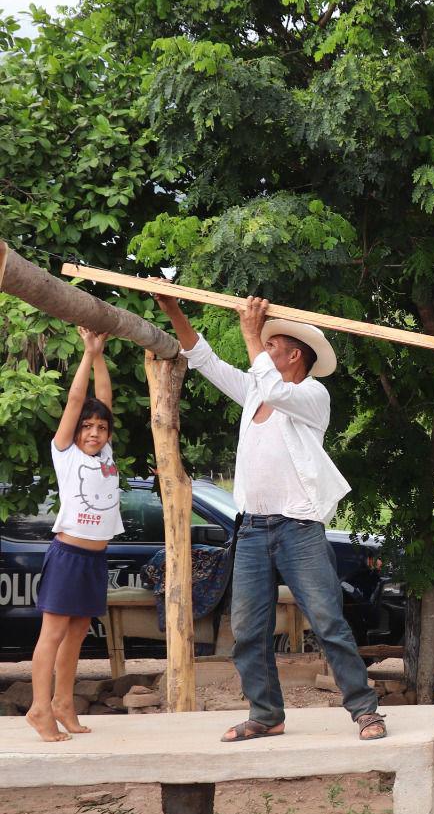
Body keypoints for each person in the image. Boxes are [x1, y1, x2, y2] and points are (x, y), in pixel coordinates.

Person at [154, 294, 385, 742]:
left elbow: (276, 389)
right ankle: (266, 714)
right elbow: (204, 359)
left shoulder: (313, 395)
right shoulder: (256, 392)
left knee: (327, 622)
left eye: (271, 345)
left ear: (295, 355)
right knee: (246, 629)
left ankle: (365, 711)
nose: (262, 349)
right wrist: (173, 311)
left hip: (297, 528)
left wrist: (248, 331)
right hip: (254, 529)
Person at [28, 327, 122, 742]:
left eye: (101, 428)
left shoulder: (105, 454)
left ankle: (64, 702)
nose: (94, 433)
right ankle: (38, 708)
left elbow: (105, 395)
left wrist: (100, 355)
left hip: (94, 558)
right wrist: (85, 353)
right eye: (87, 427)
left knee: (79, 632)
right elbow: (77, 399)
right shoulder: (64, 452)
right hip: (68, 554)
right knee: (52, 633)